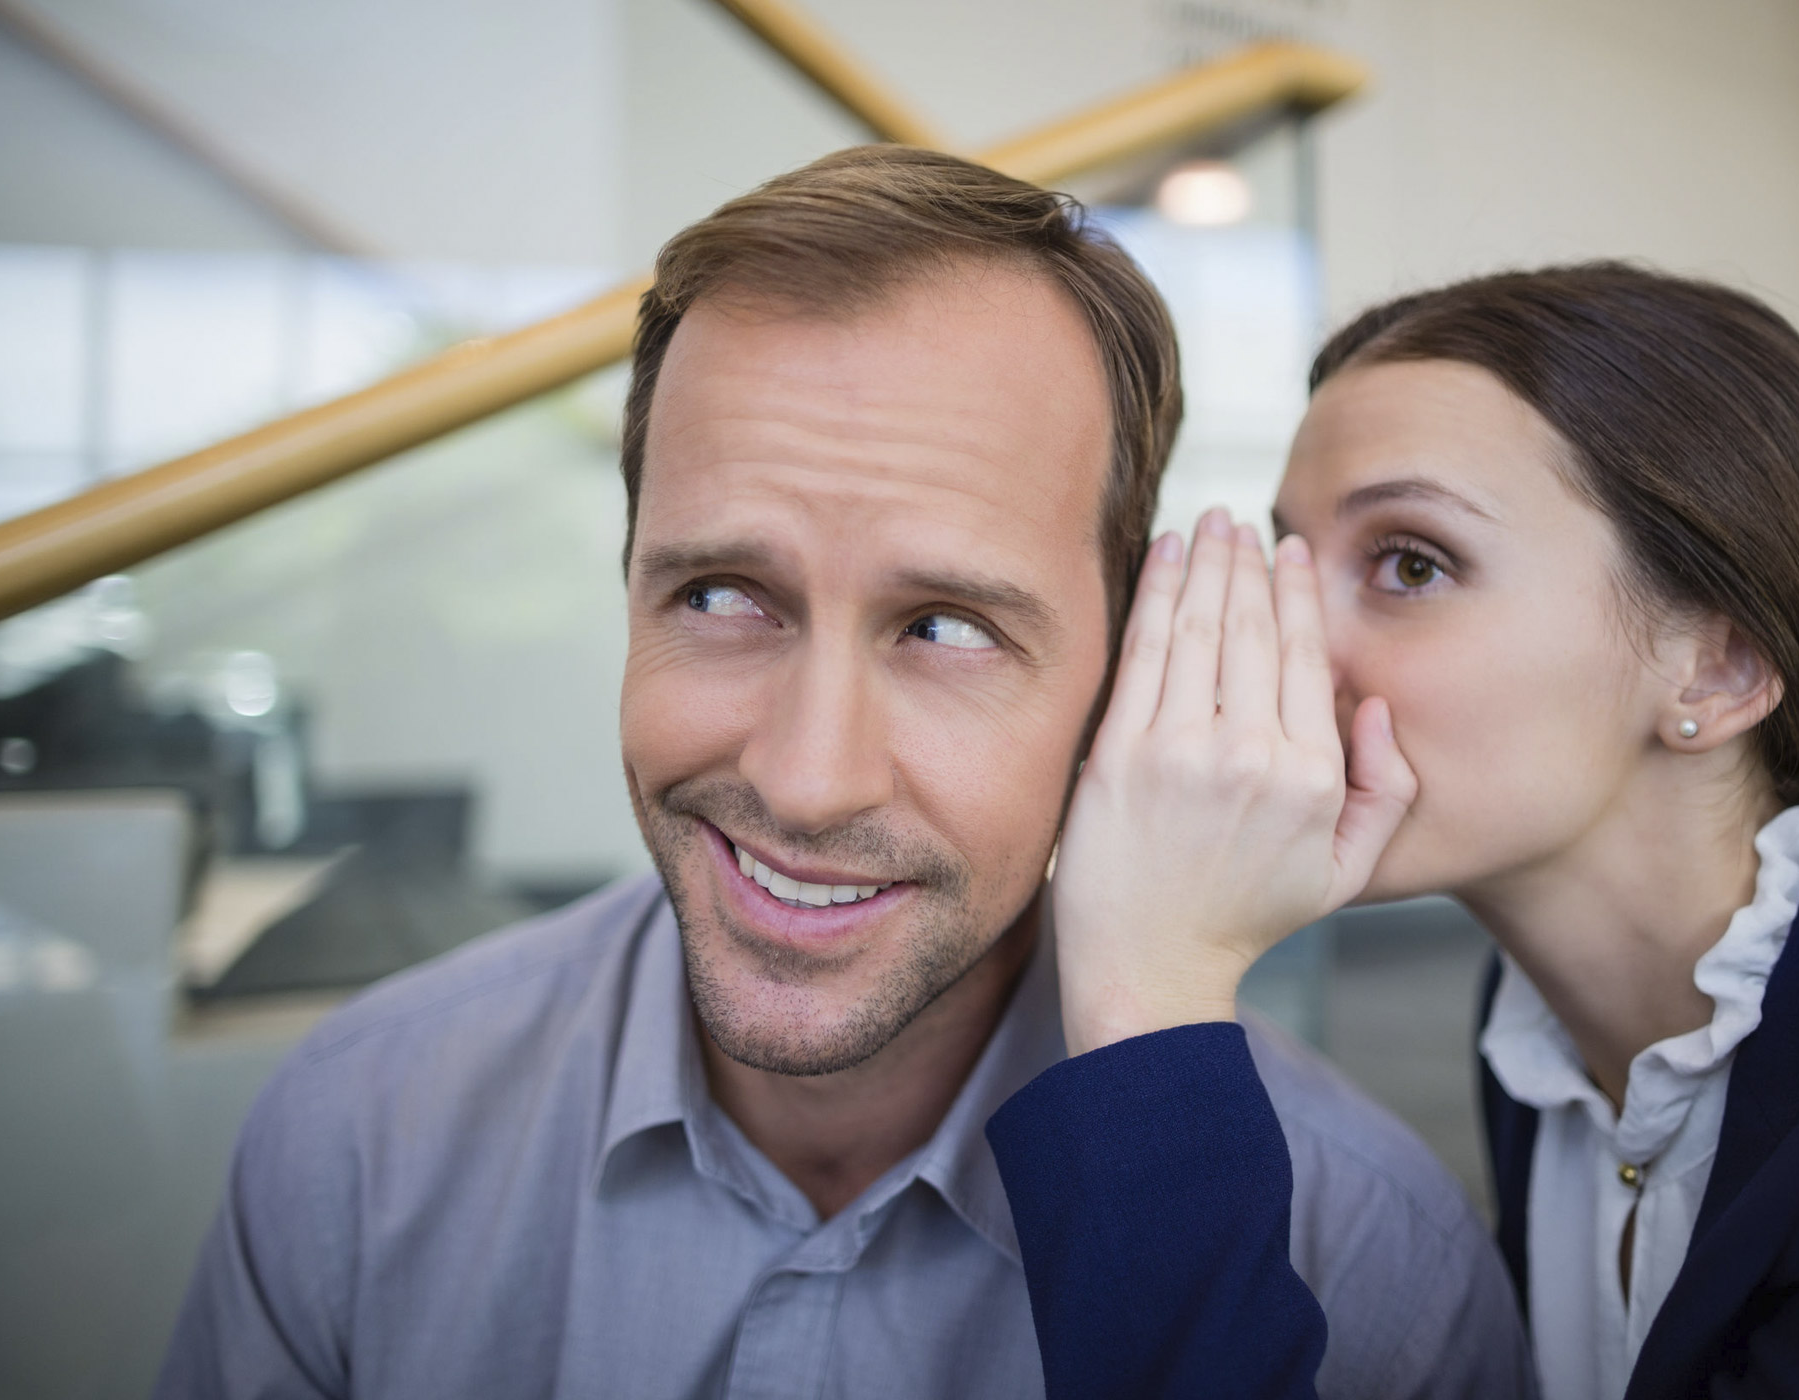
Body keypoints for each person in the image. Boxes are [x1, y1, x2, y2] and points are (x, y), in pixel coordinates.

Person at [155, 147, 1531, 1399]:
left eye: (946, 628)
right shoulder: (357, 1143)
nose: (809, 782)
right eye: (721, 596)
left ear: (1123, 674)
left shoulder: (1370, 1271)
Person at [989, 264, 1799, 1399]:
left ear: (1720, 664)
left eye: (1410, 562)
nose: (1285, 642)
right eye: (1289, 559)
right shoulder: (1536, 1044)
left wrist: (1151, 994)